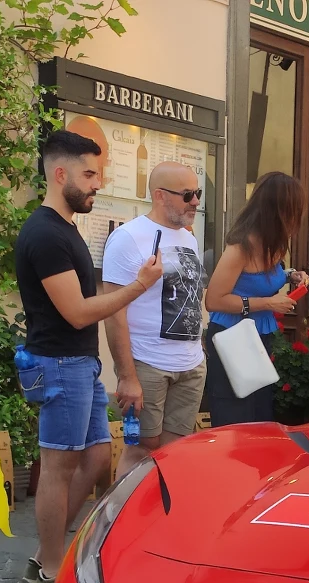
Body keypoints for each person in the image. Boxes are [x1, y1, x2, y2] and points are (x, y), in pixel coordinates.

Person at [15, 130, 163, 583]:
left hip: (78, 364)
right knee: (58, 467)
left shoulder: (65, 229)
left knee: (98, 456)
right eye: (89, 174)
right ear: (61, 174)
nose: (98, 183)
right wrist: (140, 286)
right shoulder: (45, 235)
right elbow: (78, 311)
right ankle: (51, 569)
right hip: (60, 365)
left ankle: (50, 553)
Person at [102, 162, 209, 474]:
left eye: (197, 193)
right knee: (141, 452)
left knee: (176, 452)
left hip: (190, 364)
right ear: (160, 196)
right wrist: (126, 376)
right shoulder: (128, 238)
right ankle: (124, 520)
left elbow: (190, 297)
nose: (196, 202)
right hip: (147, 362)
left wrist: (198, 348)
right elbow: (113, 312)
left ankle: (164, 520)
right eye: (188, 195)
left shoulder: (189, 238)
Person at [201, 171, 307, 427]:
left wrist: (291, 276)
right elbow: (213, 300)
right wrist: (268, 303)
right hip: (232, 338)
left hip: (259, 337)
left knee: (259, 417)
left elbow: (259, 280)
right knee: (235, 419)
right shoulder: (241, 247)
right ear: (280, 211)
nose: (299, 217)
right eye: (295, 210)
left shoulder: (275, 244)